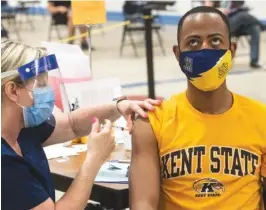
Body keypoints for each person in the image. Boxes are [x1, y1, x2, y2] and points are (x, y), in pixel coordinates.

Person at [129, 6, 266, 210]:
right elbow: (142, 204)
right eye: (193, 42)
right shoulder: (152, 121)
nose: (205, 49)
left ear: (232, 50)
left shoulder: (261, 118)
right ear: (178, 54)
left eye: (215, 41)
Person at [1, 40, 161, 210]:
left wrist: (119, 107)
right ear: (12, 91)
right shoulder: (5, 161)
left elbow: (72, 124)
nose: (48, 91)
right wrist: (93, 159)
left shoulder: (22, 128)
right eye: (40, 84)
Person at [204, 0, 263, 69]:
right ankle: (263, 25)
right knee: (243, 16)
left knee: (255, 28)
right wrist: (219, 10)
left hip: (237, 22)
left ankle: (254, 61)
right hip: (223, 24)